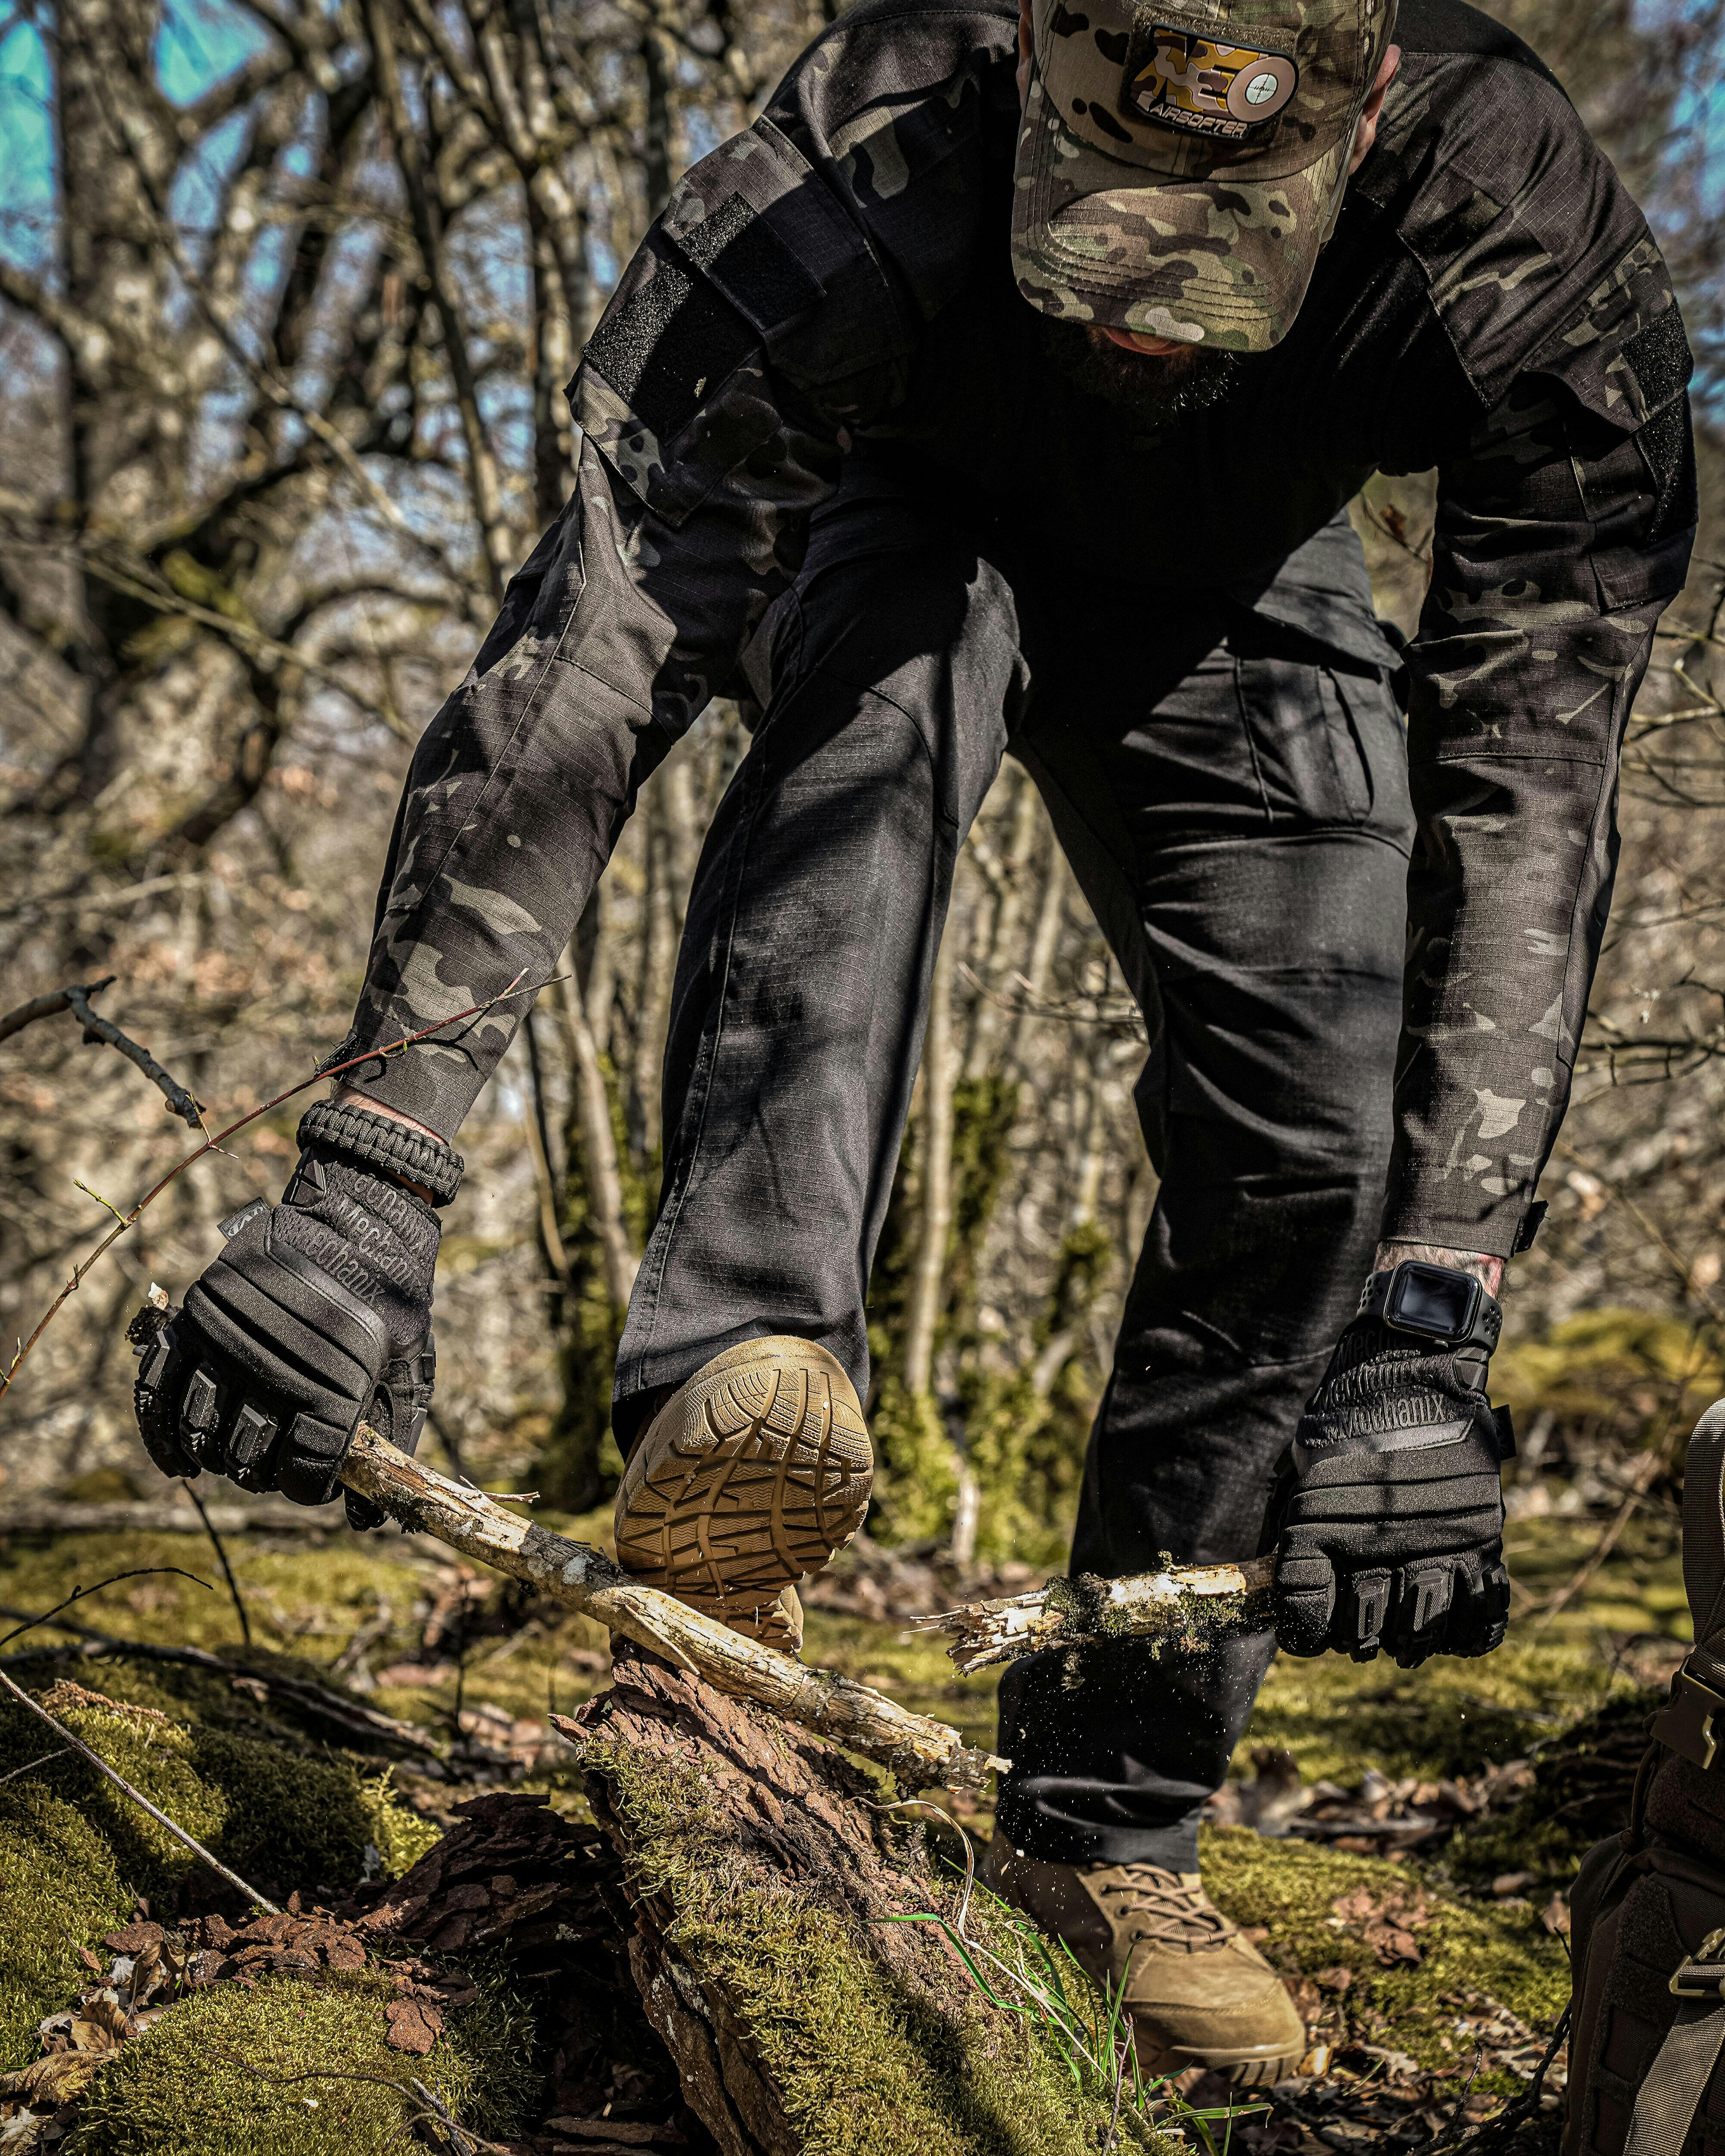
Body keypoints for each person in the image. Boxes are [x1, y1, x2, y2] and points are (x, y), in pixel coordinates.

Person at [132, 0, 1697, 2086]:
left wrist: (1429, 1321)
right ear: (1030, 58)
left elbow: (1537, 773)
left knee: (1317, 1134)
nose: (1137, 313)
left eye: (1216, 246)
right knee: (870, 748)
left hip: (1246, 579)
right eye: (1099, 225)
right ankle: (740, 1423)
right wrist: (366, 1178)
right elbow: (590, 651)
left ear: (1370, 114)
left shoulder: (1517, 240)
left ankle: (1109, 1824)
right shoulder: (858, 163)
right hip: (903, 513)